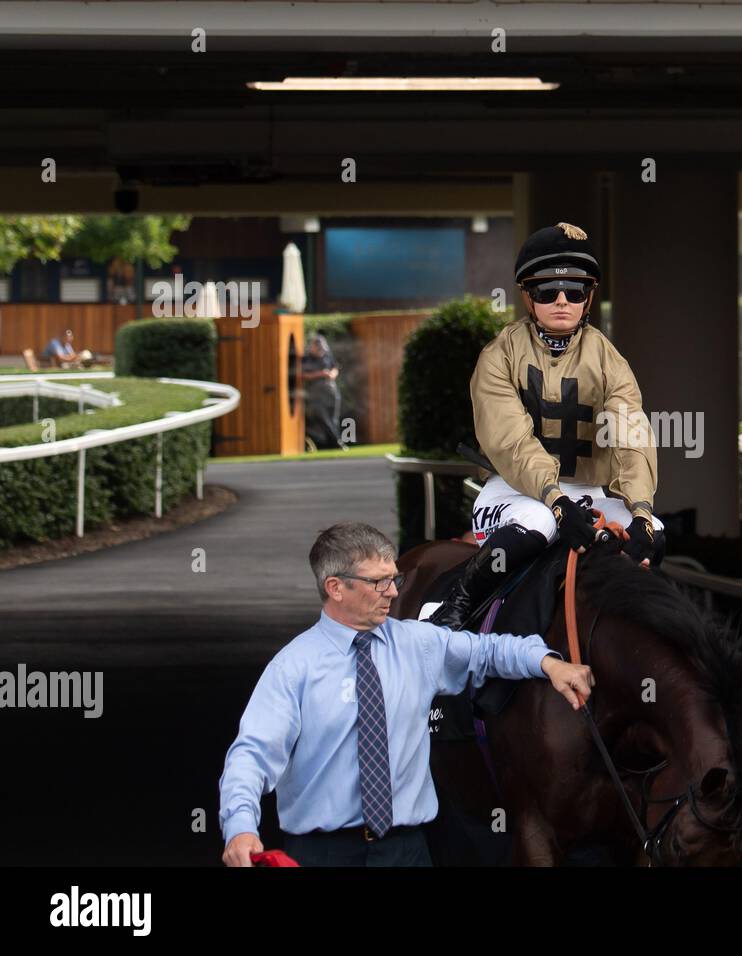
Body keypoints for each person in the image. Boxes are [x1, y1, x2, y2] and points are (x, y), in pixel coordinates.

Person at [218, 522, 594, 867]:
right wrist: (240, 827)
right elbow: (251, 755)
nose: (394, 592)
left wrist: (548, 663)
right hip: (323, 854)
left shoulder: (418, 643)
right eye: (379, 582)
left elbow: (489, 651)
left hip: (405, 851)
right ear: (335, 587)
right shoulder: (292, 668)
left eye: (394, 578)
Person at [429, 221, 665, 630]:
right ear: (527, 296)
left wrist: (641, 508)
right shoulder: (498, 356)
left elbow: (631, 434)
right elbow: (511, 441)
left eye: (574, 292)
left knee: (656, 533)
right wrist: (556, 501)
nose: (561, 301)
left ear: (588, 298)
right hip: (514, 493)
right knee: (538, 524)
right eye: (546, 292)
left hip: (589, 493)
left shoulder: (610, 361)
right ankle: (455, 608)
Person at [302, 333, 343, 449]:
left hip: (331, 391)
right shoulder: (306, 359)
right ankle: (337, 443)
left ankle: (333, 443)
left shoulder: (327, 356)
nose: (321, 349)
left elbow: (335, 367)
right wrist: (320, 374)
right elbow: (303, 375)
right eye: (318, 346)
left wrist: (332, 374)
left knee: (333, 418)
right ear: (312, 346)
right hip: (316, 394)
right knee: (323, 418)